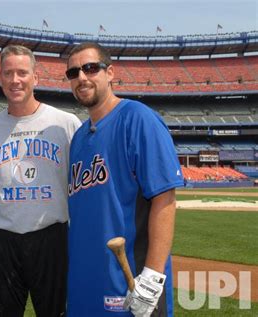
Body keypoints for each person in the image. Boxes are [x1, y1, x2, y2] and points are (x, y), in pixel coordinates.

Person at [65, 42, 184, 317]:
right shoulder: (79, 138)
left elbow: (164, 199)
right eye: (73, 72)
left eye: (90, 68)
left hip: (130, 282)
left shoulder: (138, 118)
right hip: (86, 285)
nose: (81, 77)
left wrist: (153, 276)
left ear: (110, 72)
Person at [0, 44, 81, 317]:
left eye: (22, 72)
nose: (15, 80)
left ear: (36, 77)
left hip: (52, 237)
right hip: (3, 240)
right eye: (8, 73)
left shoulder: (65, 123)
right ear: (0, 78)